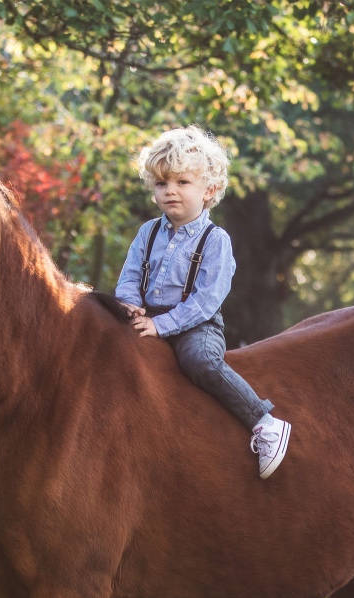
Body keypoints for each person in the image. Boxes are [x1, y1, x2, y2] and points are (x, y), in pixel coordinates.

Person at [115, 125, 292, 479]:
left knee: (199, 361)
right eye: (162, 184)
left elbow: (207, 300)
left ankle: (263, 421)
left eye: (182, 183)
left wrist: (161, 325)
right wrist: (129, 304)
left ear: (208, 190)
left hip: (196, 323)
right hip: (147, 316)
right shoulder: (147, 232)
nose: (170, 192)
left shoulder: (216, 240)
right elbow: (130, 275)